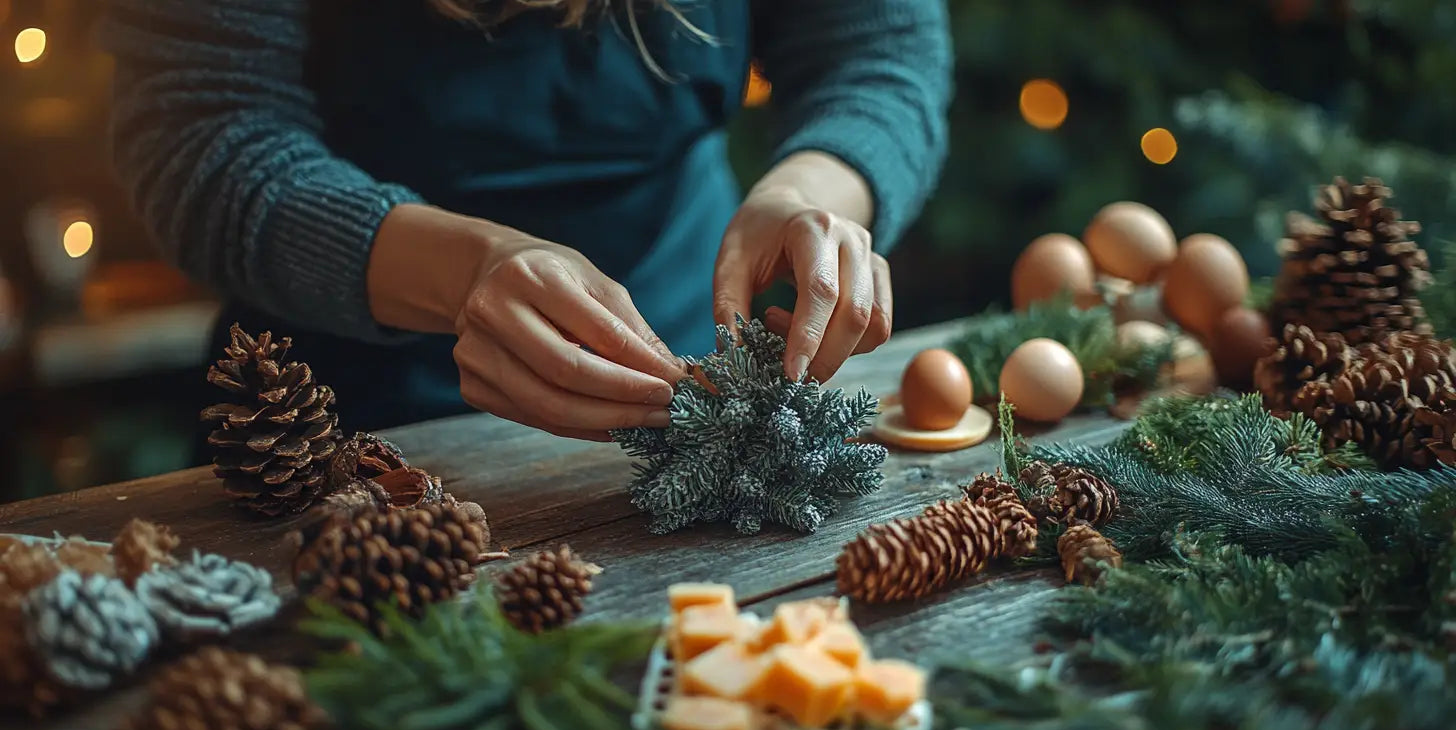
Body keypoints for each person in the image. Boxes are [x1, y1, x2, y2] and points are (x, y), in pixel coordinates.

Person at [102, 0, 952, 443]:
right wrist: (462, 274)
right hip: (339, 426)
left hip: (692, 362)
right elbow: (202, 131)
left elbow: (877, 50)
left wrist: (813, 191)